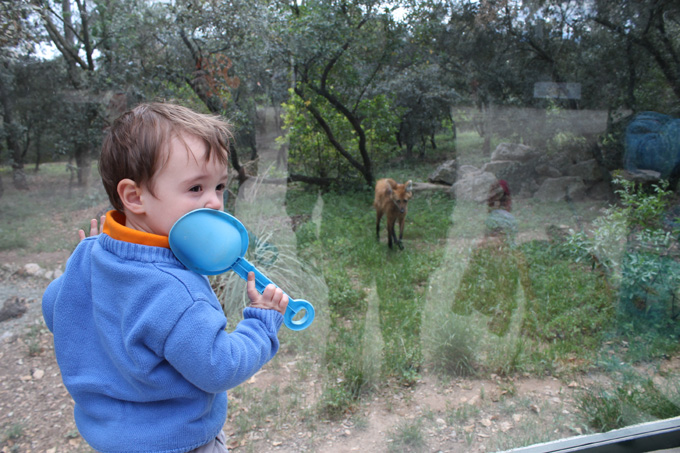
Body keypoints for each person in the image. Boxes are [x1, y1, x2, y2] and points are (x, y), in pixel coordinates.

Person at [42, 102, 288, 453]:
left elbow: (55, 310)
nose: (215, 203)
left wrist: (77, 271)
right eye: (195, 189)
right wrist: (261, 324)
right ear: (134, 196)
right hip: (179, 444)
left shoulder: (90, 254)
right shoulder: (176, 290)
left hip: (109, 441)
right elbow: (220, 367)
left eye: (219, 187)